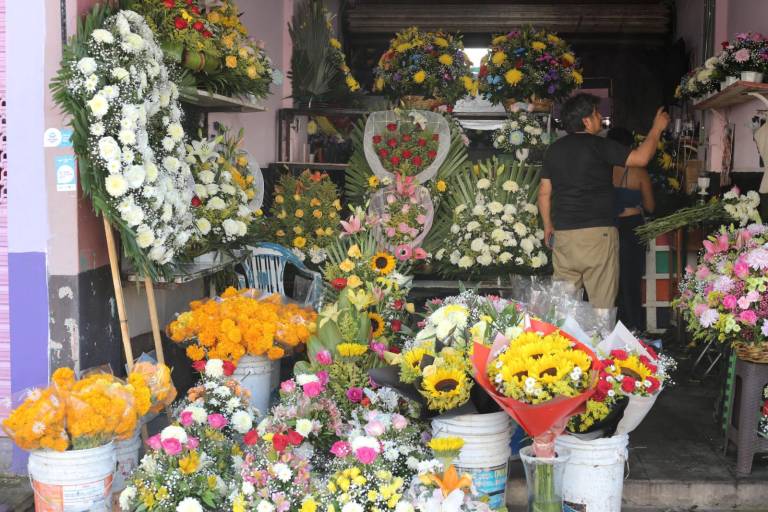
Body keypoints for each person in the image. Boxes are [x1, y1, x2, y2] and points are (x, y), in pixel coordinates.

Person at [538, 94, 669, 316]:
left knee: (563, 307)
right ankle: (599, 348)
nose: (601, 118)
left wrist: (548, 225)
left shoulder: (554, 150)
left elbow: (544, 192)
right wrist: (656, 129)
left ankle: (562, 348)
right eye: (597, 114)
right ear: (586, 121)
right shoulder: (599, 146)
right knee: (602, 307)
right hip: (598, 236)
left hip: (564, 236)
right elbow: (641, 158)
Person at [607, 127, 655, 331]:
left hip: (608, 227)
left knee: (609, 278)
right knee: (631, 278)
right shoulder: (639, 172)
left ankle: (612, 325)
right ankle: (634, 326)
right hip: (633, 227)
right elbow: (651, 206)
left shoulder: (602, 169)